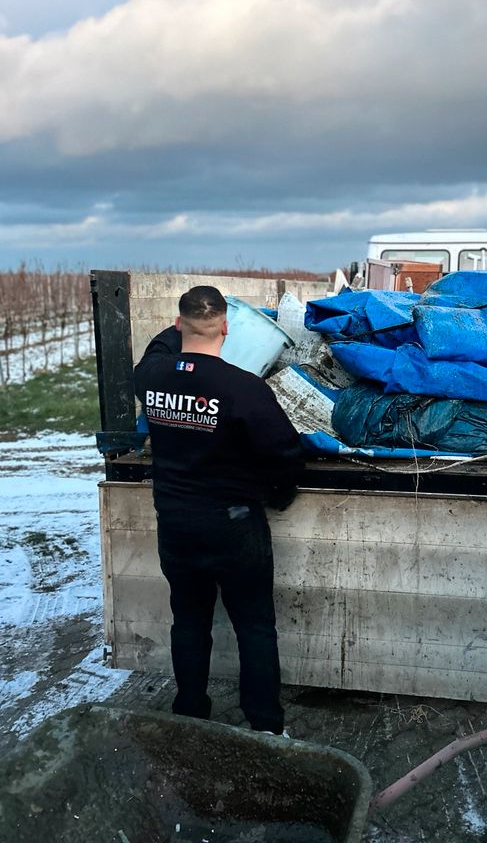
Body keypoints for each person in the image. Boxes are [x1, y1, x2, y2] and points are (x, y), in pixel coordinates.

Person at [134, 285, 304, 735]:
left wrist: (179, 336)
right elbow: (284, 452)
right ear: (227, 327)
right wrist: (280, 493)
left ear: (177, 324)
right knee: (254, 627)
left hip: (175, 523)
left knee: (188, 622)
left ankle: (190, 713)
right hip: (234, 527)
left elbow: (159, 349)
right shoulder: (242, 389)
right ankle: (265, 726)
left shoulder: (151, 377)